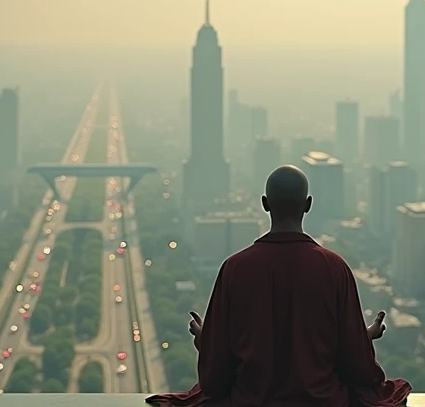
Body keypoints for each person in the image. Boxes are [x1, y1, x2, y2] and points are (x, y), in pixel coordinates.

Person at [146, 165, 411, 407]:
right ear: (307, 205)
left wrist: (208, 343)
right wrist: (364, 338)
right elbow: (356, 366)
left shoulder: (235, 269)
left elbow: (215, 380)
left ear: (265, 204)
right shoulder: (334, 268)